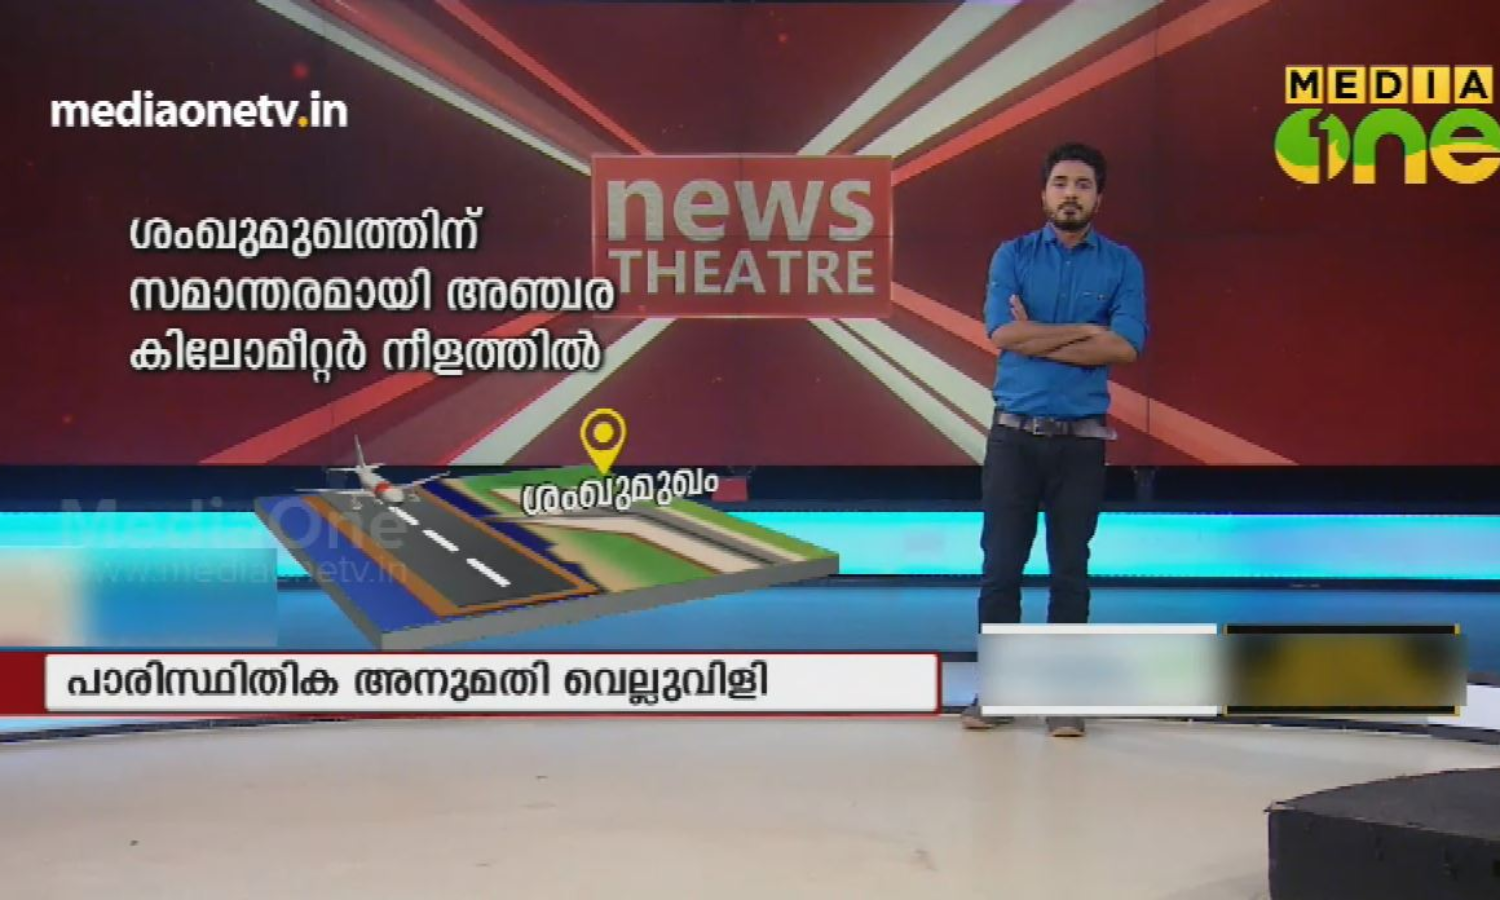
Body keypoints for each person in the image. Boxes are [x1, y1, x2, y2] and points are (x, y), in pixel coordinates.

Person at [960, 142, 1148, 738]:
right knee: (1001, 569)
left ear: (1098, 197)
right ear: (1044, 193)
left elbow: (1125, 346)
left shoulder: (1122, 265)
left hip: (1081, 443)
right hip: (1014, 438)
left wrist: (1037, 335)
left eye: (1083, 185)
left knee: (1070, 572)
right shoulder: (1012, 256)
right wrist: (1086, 332)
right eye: (1061, 183)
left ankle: (1064, 697)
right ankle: (999, 692)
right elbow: (1002, 333)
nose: (1071, 194)